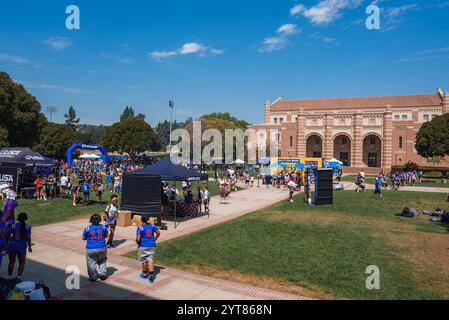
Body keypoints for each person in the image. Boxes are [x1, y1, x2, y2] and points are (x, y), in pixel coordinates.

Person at [82, 214, 109, 282]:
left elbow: (83, 237)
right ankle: (102, 274)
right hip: (102, 247)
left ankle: (93, 277)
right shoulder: (103, 227)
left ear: (91, 220)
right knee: (102, 260)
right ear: (99, 219)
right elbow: (106, 235)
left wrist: (90, 238)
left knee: (91, 262)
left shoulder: (87, 228)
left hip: (91, 248)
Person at [136, 215, 161, 284]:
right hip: (152, 245)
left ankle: (144, 274)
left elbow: (138, 238)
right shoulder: (152, 226)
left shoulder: (140, 228)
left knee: (144, 261)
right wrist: (154, 239)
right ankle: (151, 276)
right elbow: (158, 233)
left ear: (141, 220)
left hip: (143, 246)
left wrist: (138, 244)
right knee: (150, 260)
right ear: (148, 219)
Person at [7, 212, 32, 280]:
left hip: (12, 245)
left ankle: (9, 277)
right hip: (21, 246)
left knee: (11, 262)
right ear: (26, 218)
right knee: (22, 262)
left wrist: (9, 241)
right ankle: (18, 277)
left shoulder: (13, 225)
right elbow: (28, 238)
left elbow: (8, 235)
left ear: (18, 218)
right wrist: (29, 247)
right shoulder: (28, 227)